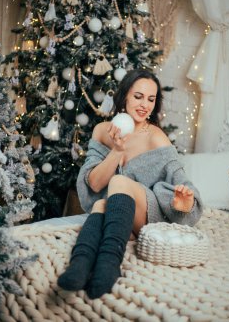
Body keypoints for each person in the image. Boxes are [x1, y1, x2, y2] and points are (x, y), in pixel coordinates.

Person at [58, 69, 203, 299]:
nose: (145, 104)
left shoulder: (156, 138)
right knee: (99, 206)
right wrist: (117, 151)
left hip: (148, 218)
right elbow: (93, 185)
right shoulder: (102, 131)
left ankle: (110, 263)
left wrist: (184, 201)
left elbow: (185, 187)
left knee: (118, 181)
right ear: (124, 96)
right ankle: (79, 265)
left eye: (151, 99)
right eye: (138, 96)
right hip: (118, 215)